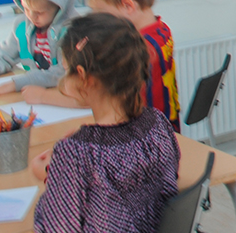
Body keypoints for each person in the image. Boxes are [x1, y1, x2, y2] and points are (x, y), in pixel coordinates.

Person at [30, 13, 180, 233]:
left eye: (66, 69)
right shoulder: (158, 125)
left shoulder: (75, 154)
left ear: (83, 77)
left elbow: (56, 228)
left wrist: (51, 176)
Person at [84, 0, 181, 131]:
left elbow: (96, 93)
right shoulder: (161, 30)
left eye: (100, 11)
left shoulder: (139, 49)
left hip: (147, 138)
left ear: (128, 6)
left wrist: (42, 96)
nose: (96, 19)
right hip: (165, 128)